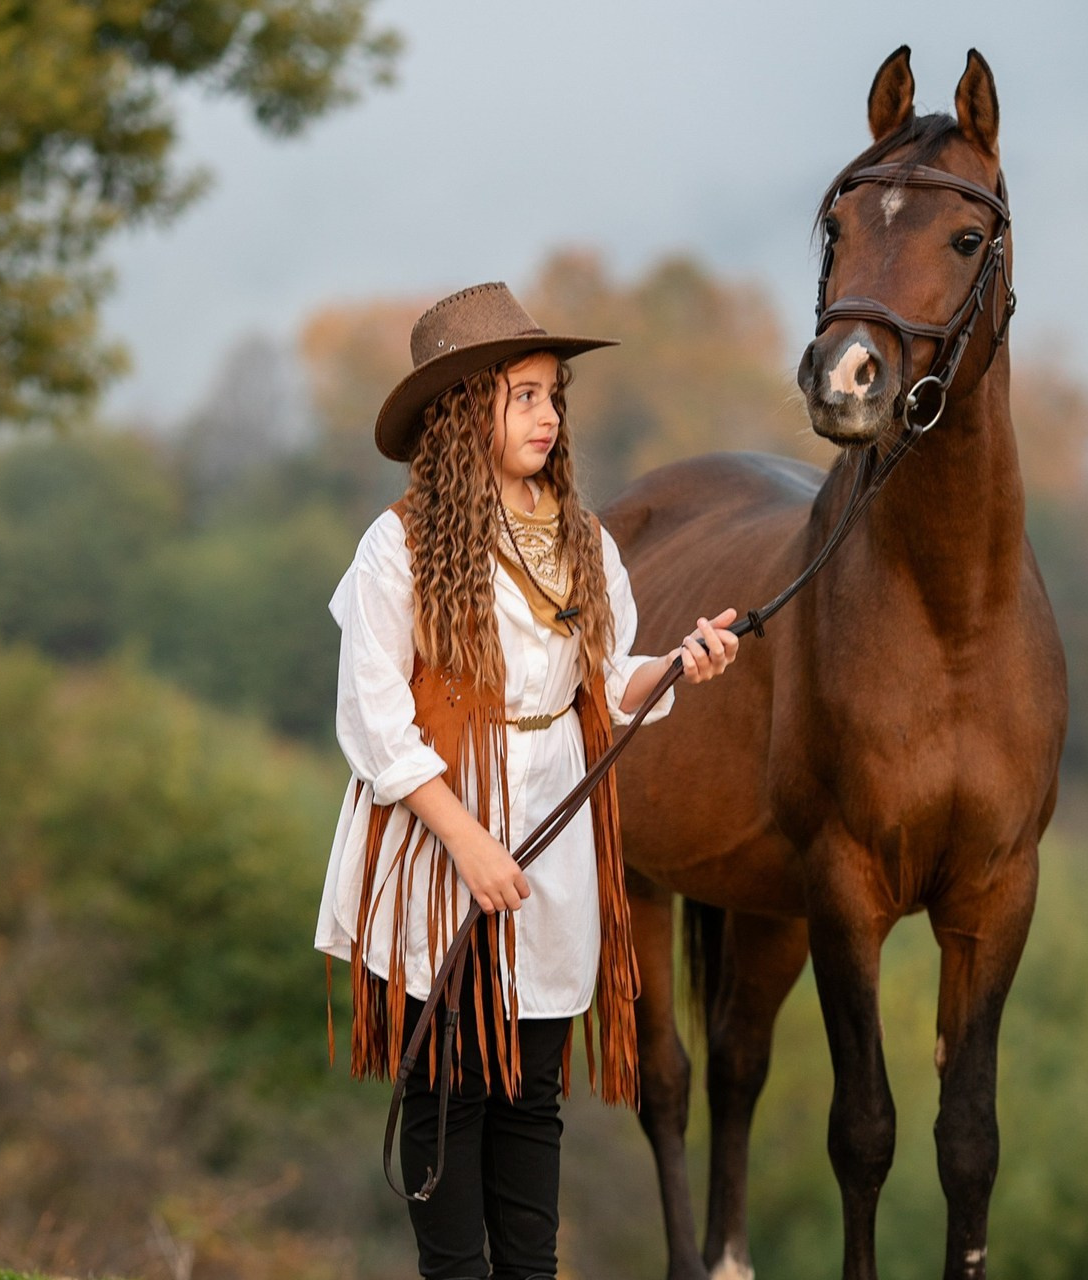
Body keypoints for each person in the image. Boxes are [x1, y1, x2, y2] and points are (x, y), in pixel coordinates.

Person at [315, 281, 738, 1280]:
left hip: (554, 829)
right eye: (524, 395)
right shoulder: (398, 546)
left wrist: (676, 663)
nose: (549, 415)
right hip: (437, 837)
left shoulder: (582, 539)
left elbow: (607, 677)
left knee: (532, 1090)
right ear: (464, 410)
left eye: (555, 394)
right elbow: (373, 719)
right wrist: (463, 841)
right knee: (450, 1083)